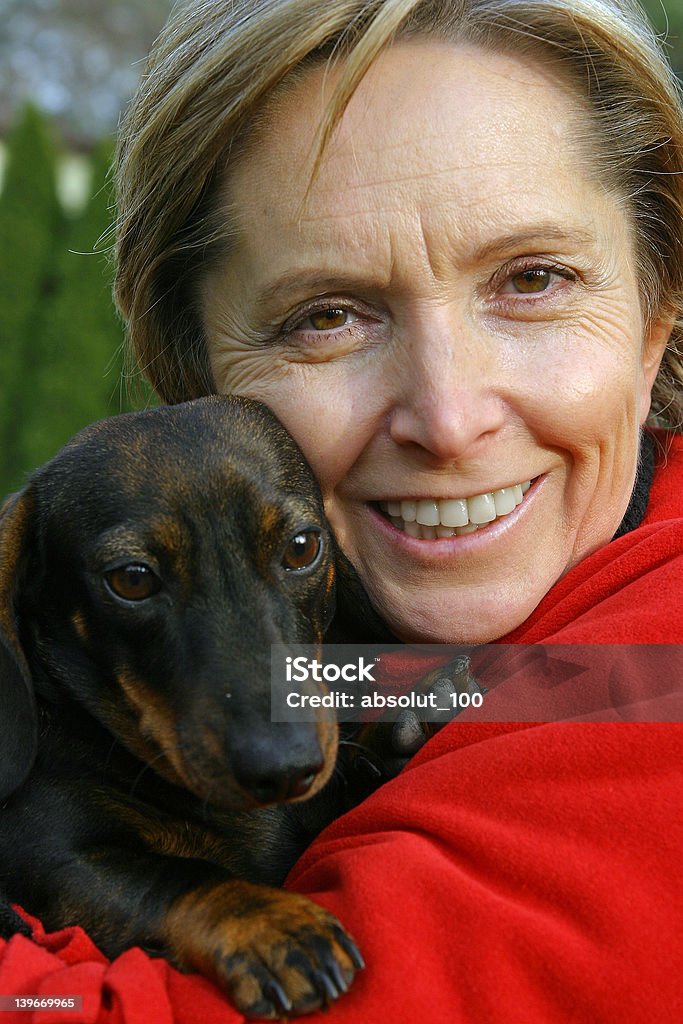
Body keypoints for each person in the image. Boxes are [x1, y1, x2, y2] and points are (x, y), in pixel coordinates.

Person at [2, 1, 682, 1021]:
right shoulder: (359, 658)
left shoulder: (645, 676)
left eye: (533, 278)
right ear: (192, 379)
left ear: (651, 327)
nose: (448, 419)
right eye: (326, 316)